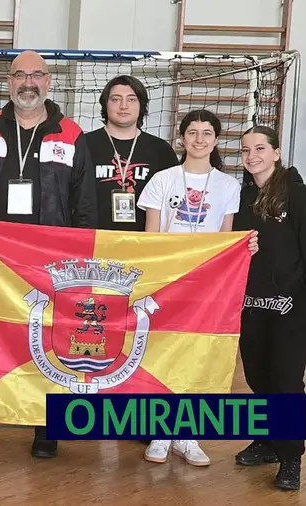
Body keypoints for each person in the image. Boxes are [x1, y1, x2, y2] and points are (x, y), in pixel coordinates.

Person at [0, 50, 97, 458]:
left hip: (49, 259)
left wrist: (79, 260)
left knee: (45, 340)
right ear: (9, 81)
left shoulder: (71, 134)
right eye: (20, 75)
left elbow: (85, 204)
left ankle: (45, 424)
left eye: (36, 75)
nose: (28, 83)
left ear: (48, 82)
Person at [137, 109, 258, 466]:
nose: (199, 139)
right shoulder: (162, 180)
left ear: (216, 140)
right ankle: (160, 431)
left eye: (207, 133)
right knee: (162, 354)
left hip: (207, 287)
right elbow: (151, 238)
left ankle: (186, 434)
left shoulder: (228, 186)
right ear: (182, 138)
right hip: (167, 283)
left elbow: (225, 241)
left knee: (196, 355)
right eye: (193, 132)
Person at [232, 125, 305, 491]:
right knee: (257, 377)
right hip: (252, 305)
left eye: (260, 148)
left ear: (276, 152)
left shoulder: (297, 194)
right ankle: (267, 441)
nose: (252, 156)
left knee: (286, 381)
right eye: (246, 150)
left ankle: (291, 455)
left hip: (291, 307)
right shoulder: (243, 196)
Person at [85, 75, 179, 232]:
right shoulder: (84, 144)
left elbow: (172, 201)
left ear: (141, 105)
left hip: (143, 239)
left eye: (131, 99)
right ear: (105, 104)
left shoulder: (161, 150)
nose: (123, 106)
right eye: (116, 99)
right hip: (94, 238)